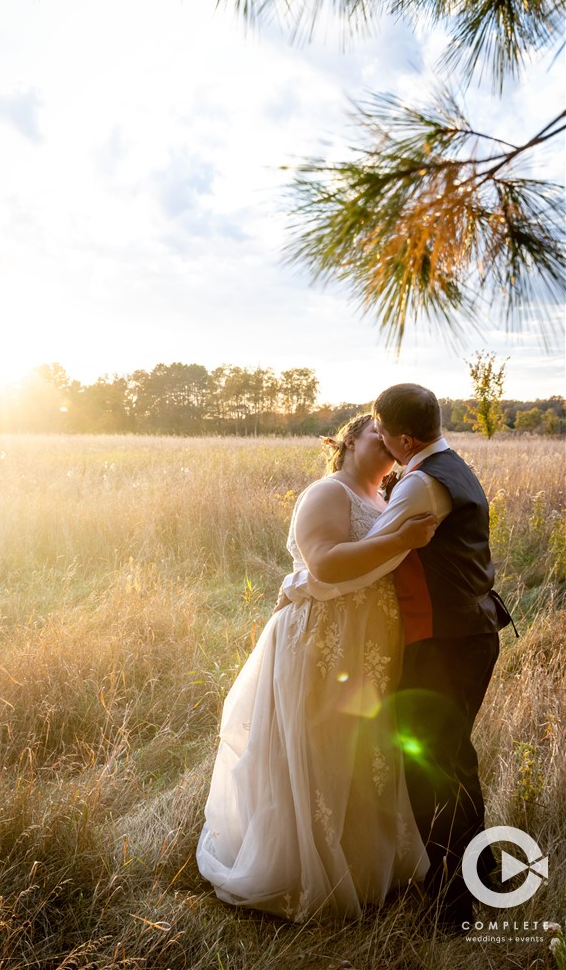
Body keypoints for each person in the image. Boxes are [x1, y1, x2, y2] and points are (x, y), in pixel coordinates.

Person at [282, 384, 509, 930]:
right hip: (464, 634)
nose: (379, 442)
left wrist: (298, 585)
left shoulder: (417, 487)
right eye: (372, 435)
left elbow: (366, 564)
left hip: (446, 643)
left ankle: (451, 906)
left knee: (433, 770)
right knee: (451, 762)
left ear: (404, 438)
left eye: (383, 433)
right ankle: (486, 875)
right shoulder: (451, 465)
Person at [196, 414, 436, 922]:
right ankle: (301, 873)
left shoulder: (383, 498)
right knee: (319, 742)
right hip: (323, 639)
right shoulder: (329, 493)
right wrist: (400, 541)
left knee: (360, 747)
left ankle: (361, 867)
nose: (391, 447)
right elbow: (324, 563)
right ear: (350, 440)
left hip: (365, 644)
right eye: (379, 436)